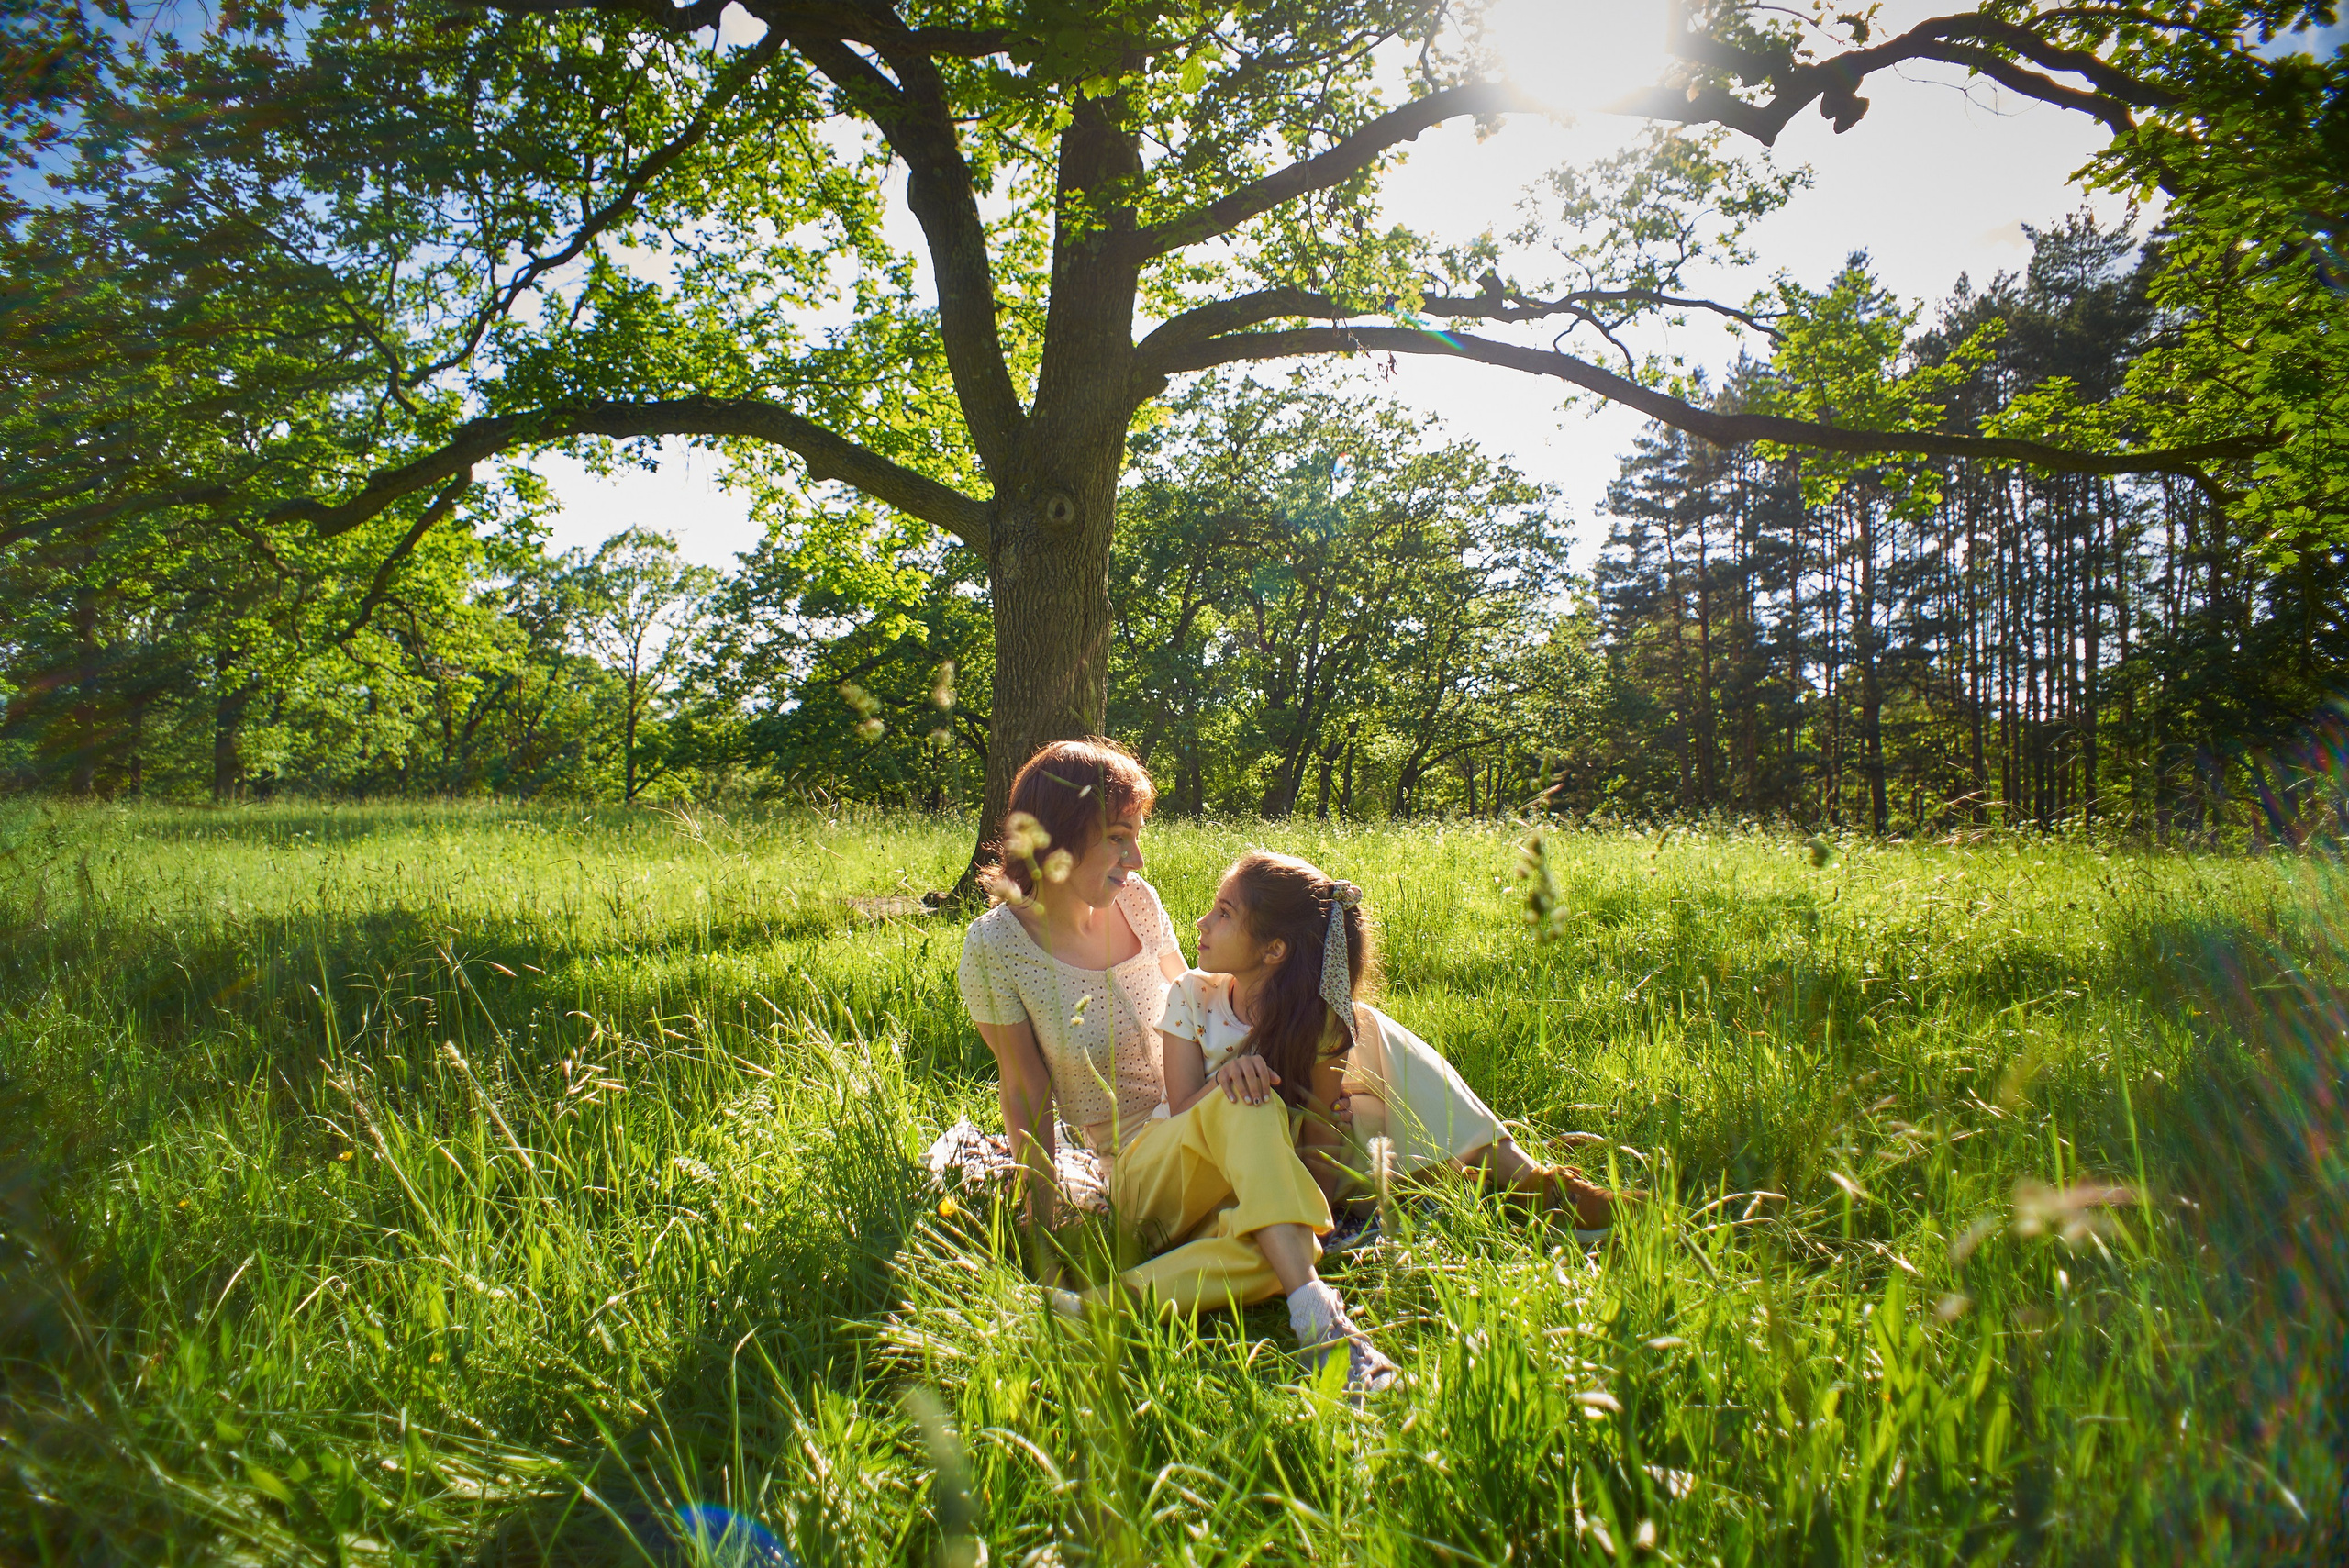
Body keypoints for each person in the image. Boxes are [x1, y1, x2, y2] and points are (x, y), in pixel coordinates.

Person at [953, 739, 1397, 1392]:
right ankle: (1324, 1318)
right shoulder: (995, 945)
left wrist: (1288, 1059)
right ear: (1057, 838)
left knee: (1277, 1229)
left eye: (1137, 836)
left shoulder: (1137, 902)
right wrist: (1043, 1226)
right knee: (1260, 1148)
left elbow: (1203, 998)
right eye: (1118, 836)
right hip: (1137, 1170)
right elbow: (1024, 1091)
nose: (1135, 860)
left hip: (1223, 1132)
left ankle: (1100, 1313)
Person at [1163, 849, 1619, 1233]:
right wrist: (1229, 1078)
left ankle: (1530, 1183)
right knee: (1370, 1056)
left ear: (1274, 950)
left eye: (1224, 913)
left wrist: (1315, 1227)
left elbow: (1322, 1141)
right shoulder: (1191, 996)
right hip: (1220, 1170)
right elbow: (1181, 1112)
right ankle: (1492, 1176)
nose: (1203, 922)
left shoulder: (1315, 1022)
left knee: (1365, 1032)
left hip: (1307, 1162)